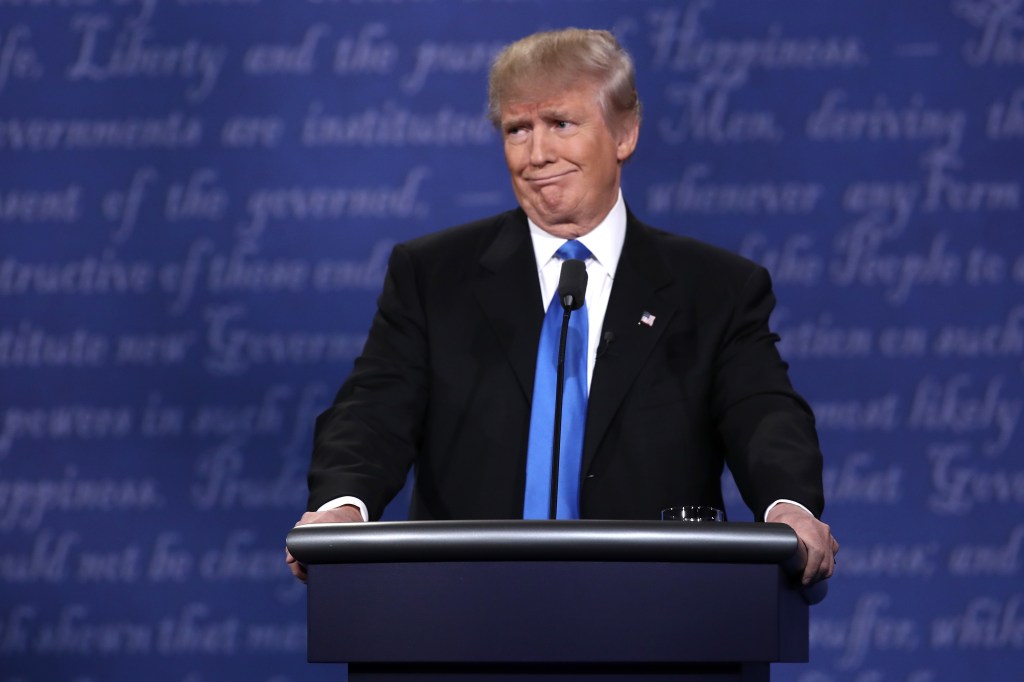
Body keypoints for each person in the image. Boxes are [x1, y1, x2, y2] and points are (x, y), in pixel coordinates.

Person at [287, 28, 838, 585]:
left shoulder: (716, 289)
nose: (537, 154)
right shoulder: (432, 276)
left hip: (654, 611)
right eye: (517, 130)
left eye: (560, 124)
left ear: (625, 133)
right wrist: (341, 505)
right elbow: (373, 411)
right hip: (463, 610)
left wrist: (789, 505)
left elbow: (764, 413)